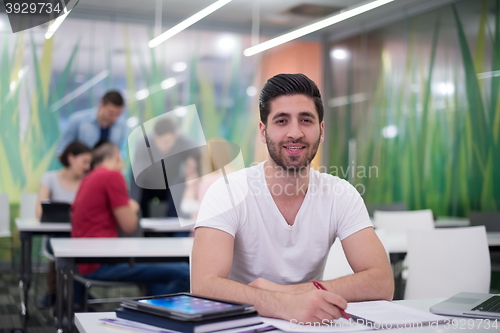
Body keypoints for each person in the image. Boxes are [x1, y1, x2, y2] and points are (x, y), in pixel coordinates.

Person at [191, 73, 394, 323]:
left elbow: (382, 283)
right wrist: (284, 305)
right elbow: (203, 285)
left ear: (321, 130)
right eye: (282, 121)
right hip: (240, 325)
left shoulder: (341, 194)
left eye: (306, 120)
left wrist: (287, 295)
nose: (295, 132)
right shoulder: (227, 190)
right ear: (263, 131)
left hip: (311, 325)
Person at [71, 141, 189, 302]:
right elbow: (129, 225)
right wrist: (130, 207)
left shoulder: (87, 179)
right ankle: (154, 314)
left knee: (162, 274)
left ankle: (151, 309)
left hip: (85, 261)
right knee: (185, 272)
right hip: (104, 262)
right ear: (117, 158)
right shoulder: (111, 176)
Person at [35, 141, 92, 308]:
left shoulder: (88, 181)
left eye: (89, 162)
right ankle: (58, 293)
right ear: (71, 158)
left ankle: (78, 296)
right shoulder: (50, 178)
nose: (88, 167)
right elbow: (39, 211)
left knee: (79, 246)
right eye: (84, 161)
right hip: (57, 234)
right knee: (63, 245)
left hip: (80, 234)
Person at [131, 117, 200, 218]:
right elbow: (137, 176)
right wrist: (134, 202)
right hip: (149, 182)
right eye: (157, 142)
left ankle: (174, 225)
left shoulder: (187, 144)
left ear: (176, 135)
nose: (162, 147)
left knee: (178, 185)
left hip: (171, 182)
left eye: (166, 142)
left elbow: (196, 166)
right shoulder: (144, 144)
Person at [56, 91, 128, 156]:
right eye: (111, 113)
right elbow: (61, 150)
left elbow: (120, 151)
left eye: (118, 114)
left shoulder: (121, 124)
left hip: (106, 169)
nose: (114, 117)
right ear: (101, 104)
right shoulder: (77, 120)